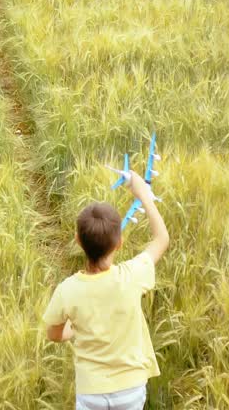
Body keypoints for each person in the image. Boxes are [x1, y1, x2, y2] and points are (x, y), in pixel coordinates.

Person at [43, 170, 170, 410]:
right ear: (119, 243)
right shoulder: (132, 275)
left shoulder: (67, 290)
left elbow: (54, 334)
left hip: (91, 391)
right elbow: (161, 238)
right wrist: (143, 194)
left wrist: (73, 330)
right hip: (130, 388)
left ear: (78, 241)